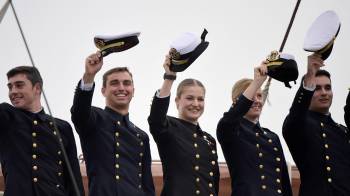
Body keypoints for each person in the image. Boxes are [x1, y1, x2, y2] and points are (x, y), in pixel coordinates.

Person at [70, 52, 155, 196]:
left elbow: (147, 185)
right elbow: (79, 111)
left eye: (126, 83)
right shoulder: (94, 119)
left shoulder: (141, 136)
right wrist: (89, 75)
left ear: (133, 91)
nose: (121, 88)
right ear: (103, 91)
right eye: (114, 83)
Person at [0, 66, 84, 196]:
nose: (13, 91)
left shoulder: (62, 127)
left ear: (37, 88)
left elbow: (73, 178)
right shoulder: (6, 116)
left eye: (19, 85)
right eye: (10, 87)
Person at [148, 54, 220, 196]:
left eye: (200, 99)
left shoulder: (209, 140)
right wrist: (169, 77)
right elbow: (156, 117)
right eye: (189, 98)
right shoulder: (168, 127)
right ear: (177, 101)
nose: (196, 104)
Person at [217, 62, 293, 196]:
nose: (257, 101)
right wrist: (257, 81)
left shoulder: (272, 137)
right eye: (252, 96)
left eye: (259, 96)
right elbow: (230, 119)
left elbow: (284, 183)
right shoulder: (231, 130)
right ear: (237, 101)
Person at [282, 54, 350, 196]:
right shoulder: (299, 125)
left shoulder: (342, 131)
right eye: (317, 88)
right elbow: (295, 117)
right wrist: (309, 78)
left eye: (328, 88)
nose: (324, 93)